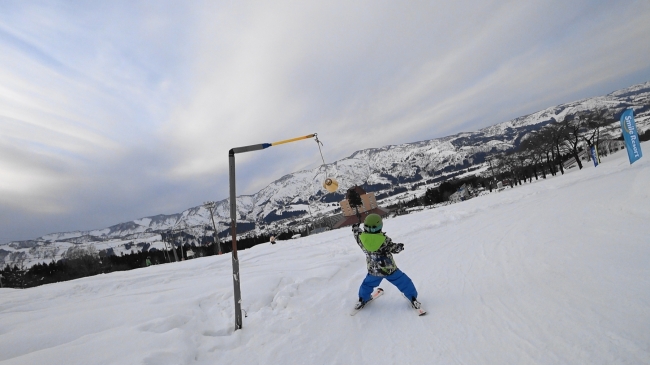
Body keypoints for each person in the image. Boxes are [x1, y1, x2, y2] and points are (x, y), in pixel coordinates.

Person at [352, 213, 421, 310]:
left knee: (367, 285)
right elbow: (394, 249)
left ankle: (362, 299)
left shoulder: (361, 238)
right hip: (389, 270)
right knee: (404, 282)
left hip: (374, 271)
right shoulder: (384, 240)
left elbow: (356, 233)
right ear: (380, 226)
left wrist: (355, 228)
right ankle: (413, 298)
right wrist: (399, 247)